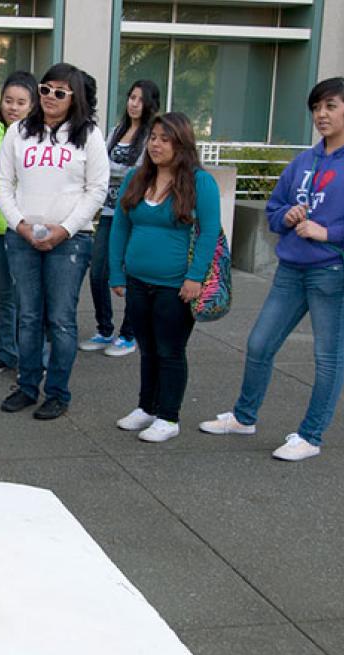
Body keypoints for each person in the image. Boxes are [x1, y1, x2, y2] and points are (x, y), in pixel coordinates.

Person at [198, 77, 344, 461]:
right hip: (291, 268)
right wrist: (286, 215)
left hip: (334, 272)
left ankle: (311, 435)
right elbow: (274, 208)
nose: (322, 115)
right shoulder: (305, 160)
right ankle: (244, 417)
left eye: (331, 106)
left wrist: (330, 232)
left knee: (328, 356)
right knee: (259, 343)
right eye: (317, 107)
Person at [0, 62, 109, 420]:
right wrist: (21, 224)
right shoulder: (19, 132)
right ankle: (27, 386)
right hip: (23, 236)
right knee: (27, 316)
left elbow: (97, 189)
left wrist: (66, 229)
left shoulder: (89, 135)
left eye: (60, 92)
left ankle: (57, 391)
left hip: (70, 241)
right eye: (45, 90)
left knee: (60, 319)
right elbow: (2, 183)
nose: (50, 98)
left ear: (74, 97)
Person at [110, 112, 220, 443]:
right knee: (147, 347)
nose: (156, 145)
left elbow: (209, 232)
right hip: (138, 280)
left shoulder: (200, 182)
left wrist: (195, 276)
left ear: (181, 144)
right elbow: (119, 226)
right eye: (153, 138)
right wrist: (116, 271)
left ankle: (169, 416)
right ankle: (146, 407)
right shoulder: (136, 178)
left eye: (165, 139)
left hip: (177, 285)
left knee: (170, 350)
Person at [82, 79, 159, 359]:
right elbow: (99, 168)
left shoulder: (152, 135)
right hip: (107, 211)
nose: (133, 103)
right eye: (131, 97)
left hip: (134, 214)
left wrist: (118, 174)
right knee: (98, 272)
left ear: (150, 104)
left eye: (140, 99)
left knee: (132, 276)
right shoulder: (116, 132)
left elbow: (141, 174)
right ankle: (104, 328)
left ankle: (128, 334)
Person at [0, 70, 37, 375]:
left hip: (27, 227)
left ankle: (30, 351)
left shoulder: (39, 138)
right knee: (3, 292)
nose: (13, 107)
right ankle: (7, 349)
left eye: (21, 102)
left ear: (32, 106)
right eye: (8, 101)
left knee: (27, 295)